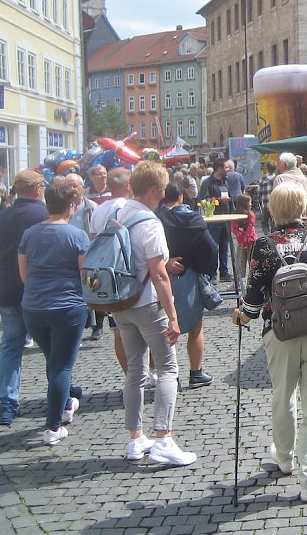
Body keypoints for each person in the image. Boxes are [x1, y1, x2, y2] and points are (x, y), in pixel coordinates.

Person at [231, 181, 307, 502]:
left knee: (283, 396)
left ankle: (284, 458)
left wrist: (239, 316)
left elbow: (252, 307)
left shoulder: (263, 247)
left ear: (272, 210)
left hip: (279, 333)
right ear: (302, 208)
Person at [114, 161, 196, 467]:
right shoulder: (149, 223)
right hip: (147, 303)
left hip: (121, 303)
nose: (163, 196)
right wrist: (173, 316)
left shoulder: (118, 213)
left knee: (135, 371)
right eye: (161, 190)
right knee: (167, 368)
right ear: (153, 190)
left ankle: (136, 438)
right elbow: (159, 275)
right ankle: (163, 437)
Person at [18, 183, 89, 445]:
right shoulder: (77, 235)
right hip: (67, 307)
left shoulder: (29, 234)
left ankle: (67, 401)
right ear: (71, 205)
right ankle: (53, 426)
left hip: (33, 307)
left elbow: (24, 274)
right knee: (61, 365)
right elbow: (86, 275)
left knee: (53, 360)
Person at [0, 170, 48, 426]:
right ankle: (64, 391)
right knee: (52, 345)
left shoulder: (2, 216)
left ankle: (7, 402)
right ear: (37, 189)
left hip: (7, 288)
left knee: (10, 346)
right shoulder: (43, 214)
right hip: (37, 290)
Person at [156, 184, 218, 389]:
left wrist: (165, 261)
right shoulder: (193, 218)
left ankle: (161, 374)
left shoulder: (155, 218)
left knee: (159, 326)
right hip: (189, 274)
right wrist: (201, 267)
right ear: (181, 197)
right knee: (195, 325)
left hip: (160, 274)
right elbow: (210, 248)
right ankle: (195, 372)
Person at [86, 167, 134, 346]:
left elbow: (92, 241)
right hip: (123, 272)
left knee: (118, 329)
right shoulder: (125, 207)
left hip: (104, 269)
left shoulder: (98, 209)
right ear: (128, 185)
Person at [198, 159, 232, 282]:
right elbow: (203, 200)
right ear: (219, 168)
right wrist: (218, 200)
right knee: (213, 247)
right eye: (226, 167)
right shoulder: (207, 183)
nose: (228, 169)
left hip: (226, 219)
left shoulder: (225, 181)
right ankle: (212, 273)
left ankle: (224, 272)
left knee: (225, 247)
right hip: (213, 221)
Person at [231, 193, 257, 288]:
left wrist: (245, 240)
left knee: (252, 262)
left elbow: (250, 229)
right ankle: (237, 283)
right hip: (241, 243)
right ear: (244, 203)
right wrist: (240, 236)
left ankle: (253, 282)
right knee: (240, 262)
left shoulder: (251, 215)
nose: (251, 204)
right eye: (249, 202)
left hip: (251, 242)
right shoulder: (235, 215)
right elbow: (234, 228)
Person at [258, 161, 278, 235]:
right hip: (275, 205)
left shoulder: (263, 179)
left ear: (266, 168)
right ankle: (274, 235)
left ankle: (267, 235)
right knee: (274, 222)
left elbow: (259, 192)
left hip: (265, 204)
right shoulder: (277, 178)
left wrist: (260, 200)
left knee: (264, 222)